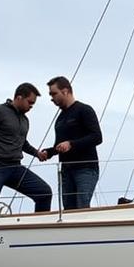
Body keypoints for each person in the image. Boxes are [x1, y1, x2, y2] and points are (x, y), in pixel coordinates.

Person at [0, 83, 52, 224]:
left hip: (14, 168)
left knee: (44, 192)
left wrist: (37, 153)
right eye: (30, 102)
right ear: (19, 97)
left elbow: (23, 143)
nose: (31, 107)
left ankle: (40, 228)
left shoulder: (25, 120)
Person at [44, 76, 102, 210]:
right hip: (66, 170)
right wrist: (49, 152)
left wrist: (71, 144)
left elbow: (97, 137)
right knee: (68, 209)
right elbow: (60, 145)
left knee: (82, 206)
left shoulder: (84, 110)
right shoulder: (60, 118)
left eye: (54, 93)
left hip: (85, 168)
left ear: (65, 91)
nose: (52, 98)